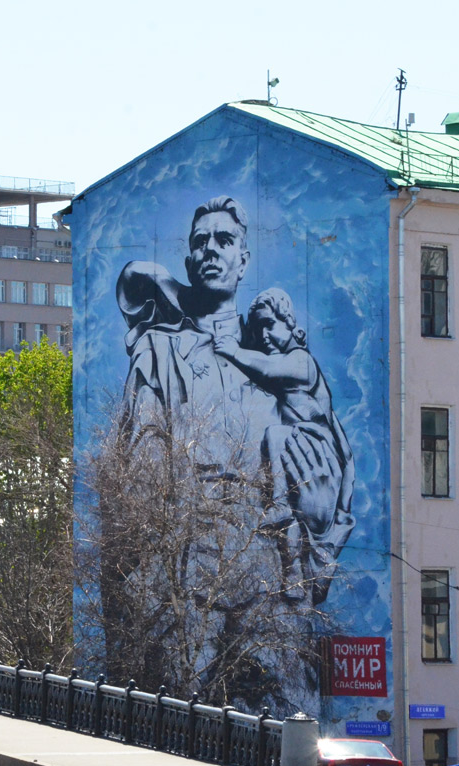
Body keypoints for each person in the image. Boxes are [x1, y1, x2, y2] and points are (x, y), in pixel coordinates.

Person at [111, 196, 356, 711]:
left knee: (290, 712)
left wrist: (319, 513)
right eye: (200, 242)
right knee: (181, 708)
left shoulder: (275, 354)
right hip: (191, 562)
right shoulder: (160, 351)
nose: (211, 250)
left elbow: (329, 453)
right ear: (188, 262)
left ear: (243, 260)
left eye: (224, 241)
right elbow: (140, 471)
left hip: (273, 563)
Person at [213, 287, 354, 589]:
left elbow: (270, 369)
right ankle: (293, 580)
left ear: (289, 322)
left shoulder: (302, 360)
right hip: (303, 463)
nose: (264, 335)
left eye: (269, 324)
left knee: (275, 436)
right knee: (287, 518)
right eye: (258, 329)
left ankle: (277, 506)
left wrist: (234, 351)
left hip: (318, 455)